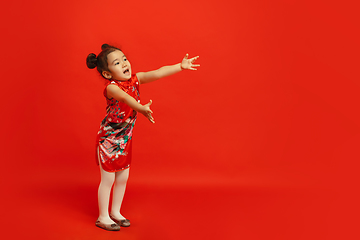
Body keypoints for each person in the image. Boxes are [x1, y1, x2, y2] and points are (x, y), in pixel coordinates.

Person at [86, 44, 200, 231]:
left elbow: (157, 73)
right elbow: (126, 99)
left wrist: (179, 66)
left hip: (124, 139)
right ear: (107, 74)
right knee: (108, 180)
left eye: (124, 59)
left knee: (123, 177)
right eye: (117, 62)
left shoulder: (135, 79)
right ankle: (102, 216)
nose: (124, 63)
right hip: (109, 139)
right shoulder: (112, 88)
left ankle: (116, 212)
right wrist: (141, 108)